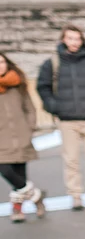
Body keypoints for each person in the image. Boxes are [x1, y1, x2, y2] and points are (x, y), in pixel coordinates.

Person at [36, 24, 85, 209]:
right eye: (70, 38)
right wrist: (55, 107)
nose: (74, 42)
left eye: (77, 39)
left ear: (82, 40)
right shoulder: (52, 63)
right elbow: (43, 87)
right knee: (72, 160)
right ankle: (75, 195)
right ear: (63, 40)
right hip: (67, 120)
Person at [0, 53, 45, 223]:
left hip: (21, 135)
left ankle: (18, 209)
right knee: (6, 171)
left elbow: (29, 108)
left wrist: (30, 128)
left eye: (2, 62)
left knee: (19, 173)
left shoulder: (18, 84)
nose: (1, 65)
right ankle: (37, 196)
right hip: (1, 138)